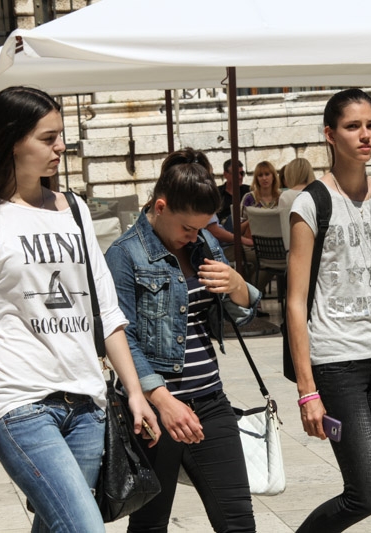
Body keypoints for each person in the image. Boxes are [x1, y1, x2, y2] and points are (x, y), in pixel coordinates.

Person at [0, 86, 159, 532]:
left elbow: (108, 313)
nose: (60, 146)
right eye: (47, 137)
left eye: (61, 135)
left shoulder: (74, 210)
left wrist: (136, 392)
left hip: (88, 405)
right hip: (20, 406)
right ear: (12, 140)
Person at [105, 148, 260, 533]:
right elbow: (121, 337)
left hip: (211, 402)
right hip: (153, 412)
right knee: (150, 525)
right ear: (160, 207)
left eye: (201, 227)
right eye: (188, 228)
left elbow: (234, 314)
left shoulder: (204, 244)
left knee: (239, 523)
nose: (195, 236)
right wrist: (163, 401)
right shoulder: (125, 255)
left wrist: (239, 285)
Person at [286, 88, 371, 532]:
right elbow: (295, 302)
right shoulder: (311, 204)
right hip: (336, 363)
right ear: (330, 134)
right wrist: (307, 391)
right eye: (352, 126)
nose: (365, 135)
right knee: (365, 493)